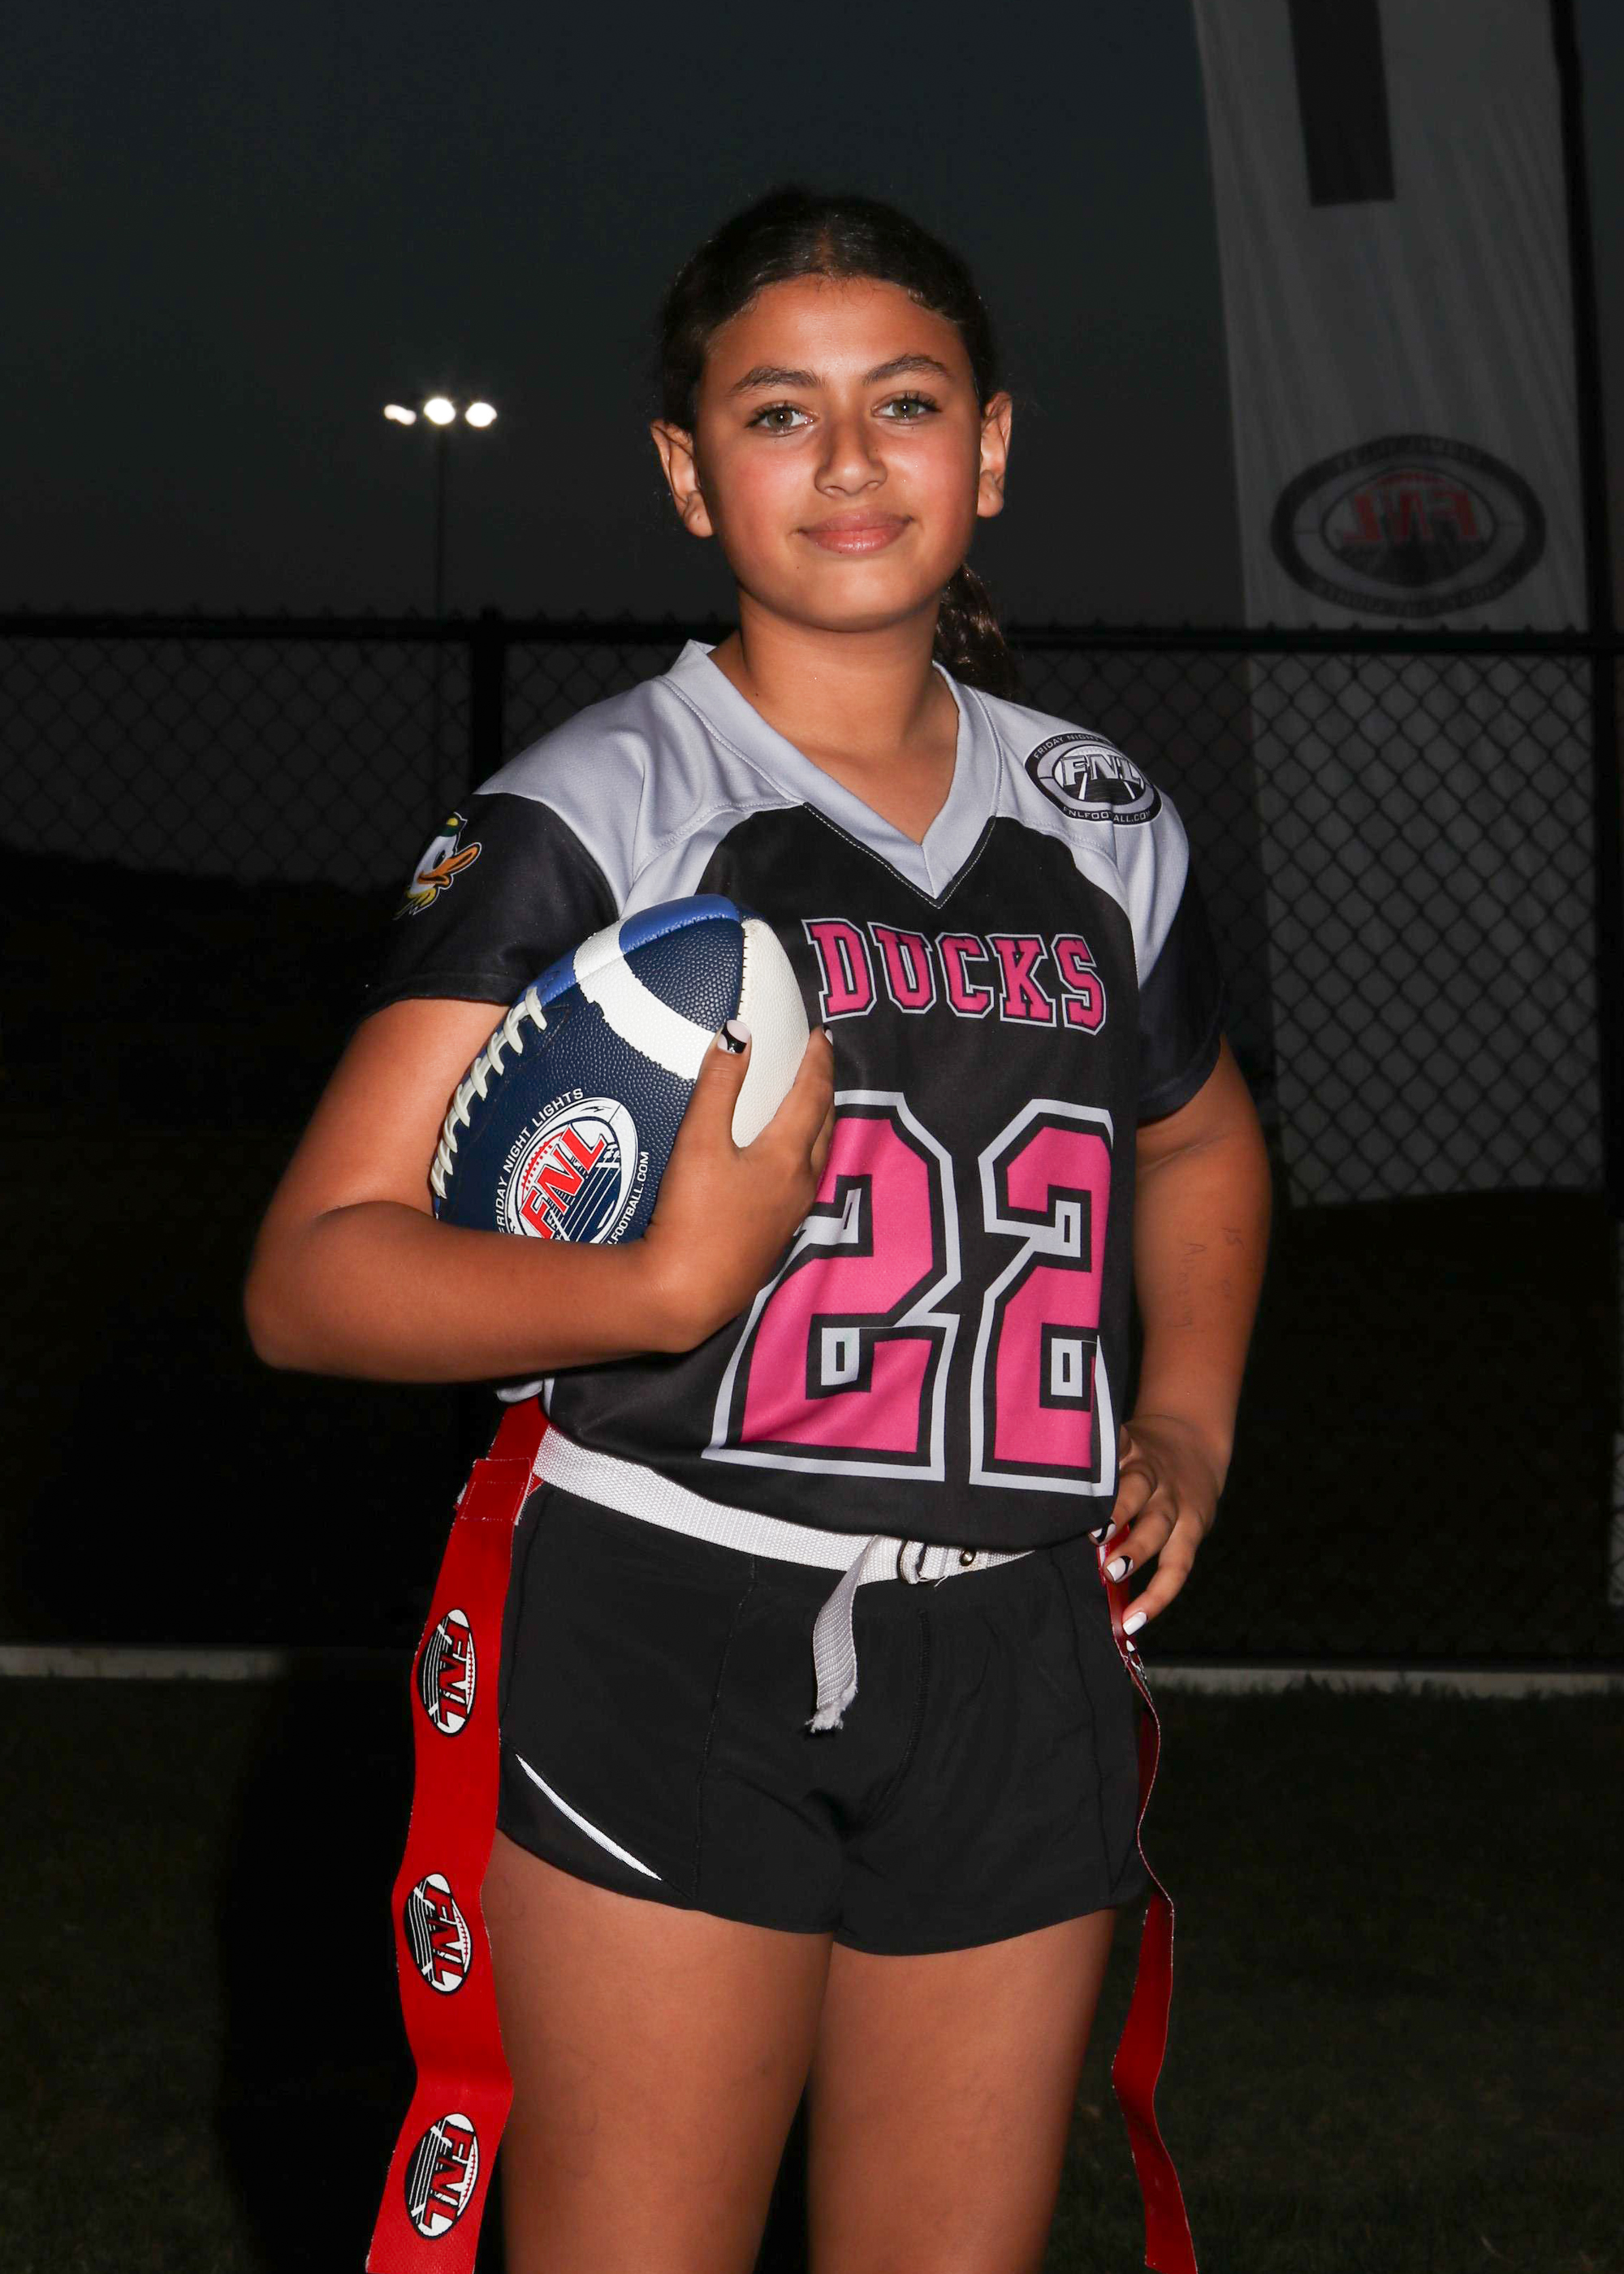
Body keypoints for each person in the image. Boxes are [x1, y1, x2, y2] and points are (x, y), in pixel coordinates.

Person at [245, 186, 1271, 2274]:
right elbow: (314, 1271)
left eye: (905, 402)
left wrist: (1187, 1408)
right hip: (671, 1610)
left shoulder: (1101, 817)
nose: (850, 459)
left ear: (991, 445)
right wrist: (656, 1283)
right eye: (779, 412)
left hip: (1014, 1634)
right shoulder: (598, 807)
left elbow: (1198, 1141)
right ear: (685, 469)